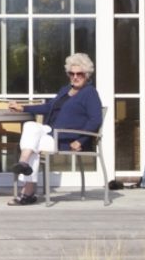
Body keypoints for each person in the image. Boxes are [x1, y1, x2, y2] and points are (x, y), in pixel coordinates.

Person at [10, 52, 104, 205]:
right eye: (71, 73)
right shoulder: (65, 90)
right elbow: (48, 107)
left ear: (87, 75)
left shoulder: (90, 93)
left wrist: (81, 140)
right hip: (51, 132)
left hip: (66, 139)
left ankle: (28, 192)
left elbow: (95, 120)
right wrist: (23, 108)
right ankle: (24, 162)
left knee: (34, 145)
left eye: (79, 74)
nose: (75, 77)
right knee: (30, 126)